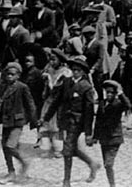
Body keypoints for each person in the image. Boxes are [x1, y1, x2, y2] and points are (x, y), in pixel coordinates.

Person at [40, 56, 100, 187]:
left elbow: (89, 112)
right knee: (72, 149)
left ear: (83, 72)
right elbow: (57, 101)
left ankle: (66, 181)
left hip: (77, 123)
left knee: (67, 150)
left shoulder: (86, 87)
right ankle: (92, 164)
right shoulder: (66, 82)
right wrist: (46, 118)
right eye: (73, 69)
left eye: (78, 70)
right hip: (65, 120)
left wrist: (89, 132)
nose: (75, 72)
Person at [0, 61, 38, 184]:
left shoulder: (22, 87)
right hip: (6, 121)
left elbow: (30, 104)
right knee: (4, 147)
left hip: (18, 121)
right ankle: (11, 172)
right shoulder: (3, 87)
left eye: (12, 74)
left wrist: (34, 121)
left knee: (10, 146)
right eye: (7, 74)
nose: (9, 76)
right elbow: (1, 105)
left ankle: (24, 162)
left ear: (18, 75)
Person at [91, 80, 130, 187]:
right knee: (106, 165)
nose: (109, 95)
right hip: (104, 139)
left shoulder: (118, 104)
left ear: (115, 94)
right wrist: (95, 137)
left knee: (108, 164)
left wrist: (121, 93)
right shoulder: (102, 103)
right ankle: (111, 184)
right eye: (107, 92)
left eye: (111, 93)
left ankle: (112, 185)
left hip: (114, 138)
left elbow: (128, 105)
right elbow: (98, 121)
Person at [40, 48, 72, 158]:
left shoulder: (65, 73)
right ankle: (45, 146)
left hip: (59, 103)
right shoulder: (49, 70)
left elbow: (64, 91)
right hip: (48, 101)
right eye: (50, 59)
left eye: (54, 59)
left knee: (57, 126)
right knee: (45, 123)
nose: (51, 62)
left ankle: (58, 148)